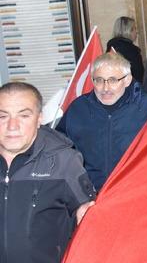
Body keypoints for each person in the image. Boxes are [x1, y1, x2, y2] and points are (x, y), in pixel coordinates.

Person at [0, 82, 96, 263]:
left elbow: (89, 219)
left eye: (24, 115)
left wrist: (86, 215)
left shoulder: (64, 162)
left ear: (39, 119)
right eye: (2, 116)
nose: (12, 126)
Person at [57, 53, 147, 190]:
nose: (105, 88)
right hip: (90, 194)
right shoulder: (78, 109)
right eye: (99, 80)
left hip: (135, 191)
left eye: (112, 80)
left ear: (127, 80)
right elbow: (61, 148)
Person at [106, 16, 144, 82]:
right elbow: (138, 75)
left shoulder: (111, 48)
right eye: (134, 28)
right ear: (128, 31)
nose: (136, 32)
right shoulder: (131, 51)